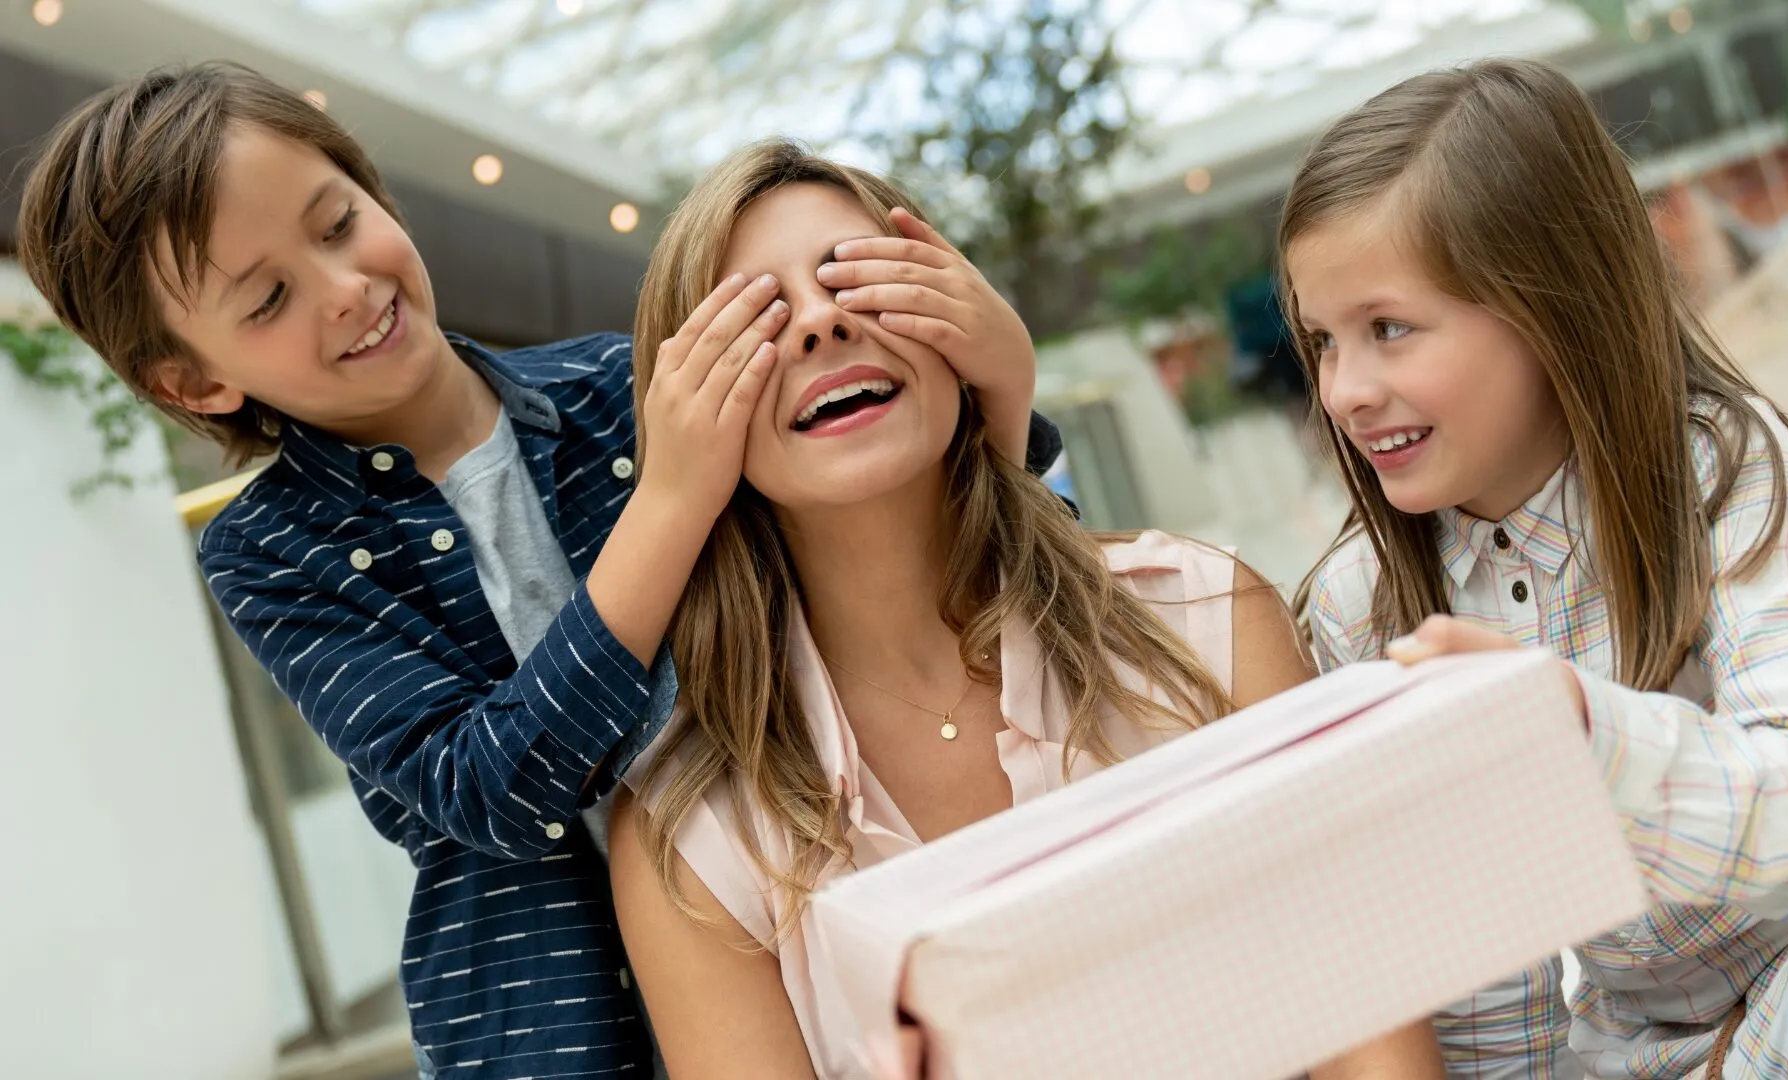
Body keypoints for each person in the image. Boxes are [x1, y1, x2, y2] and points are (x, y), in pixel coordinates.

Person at [15, 64, 1058, 1078]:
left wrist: (1001, 388)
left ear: (373, 188)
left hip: (801, 965)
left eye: (336, 224)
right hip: (549, 1035)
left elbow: (895, 567)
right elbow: (495, 790)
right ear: (193, 380)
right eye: (266, 299)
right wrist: (671, 502)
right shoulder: (269, 554)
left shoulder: (621, 383)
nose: (343, 289)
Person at [602, 138, 1447, 1080]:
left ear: (960, 328)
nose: (817, 326)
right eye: (754, 315)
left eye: (856, 280)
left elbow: (1371, 1033)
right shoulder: (695, 840)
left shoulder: (1204, 618)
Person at [1283, 58, 1788, 1080]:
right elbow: (1485, 996)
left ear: (1548, 305)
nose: (1346, 391)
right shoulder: (1368, 602)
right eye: (1323, 340)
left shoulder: (1717, 469)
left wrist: (1580, 730)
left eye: (1390, 329)